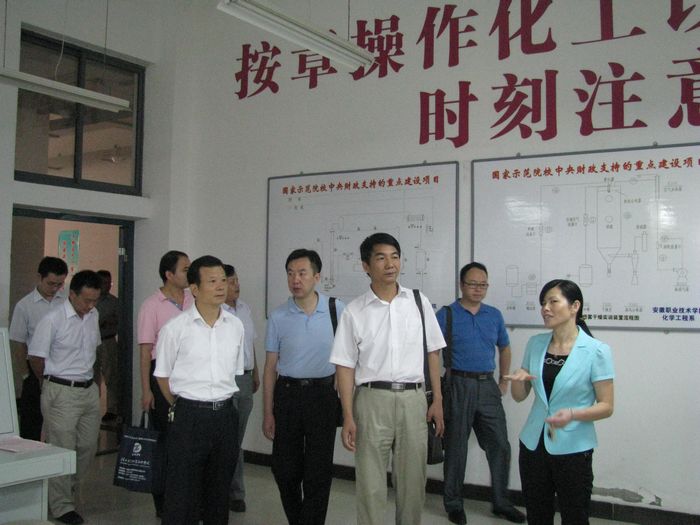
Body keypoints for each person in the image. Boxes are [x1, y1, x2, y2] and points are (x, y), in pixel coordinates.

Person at [330, 233, 445, 525]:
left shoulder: (418, 302)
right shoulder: (355, 311)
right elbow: (345, 367)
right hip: (371, 400)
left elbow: (433, 353)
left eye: (395, 256)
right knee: (370, 484)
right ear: (366, 266)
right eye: (381, 258)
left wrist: (437, 400)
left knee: (413, 483)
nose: (390, 264)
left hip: (413, 399)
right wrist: (348, 415)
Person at [506, 279, 615, 525]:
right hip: (533, 444)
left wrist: (572, 414)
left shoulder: (596, 351)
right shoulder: (536, 343)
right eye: (543, 303)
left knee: (575, 517)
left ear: (575, 306)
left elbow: (607, 406)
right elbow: (519, 397)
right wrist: (518, 379)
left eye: (553, 301)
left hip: (573, 447)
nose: (545, 308)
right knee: (537, 515)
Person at [154, 255, 245, 525]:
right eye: (212, 281)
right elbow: (162, 375)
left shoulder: (235, 326)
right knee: (182, 493)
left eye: (223, 280)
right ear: (194, 289)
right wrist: (182, 406)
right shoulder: (175, 328)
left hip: (225, 415)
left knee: (219, 492)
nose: (221, 286)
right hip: (189, 417)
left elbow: (234, 372)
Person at [437, 262, 525, 524]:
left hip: (487, 386)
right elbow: (431, 351)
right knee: (456, 448)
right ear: (461, 285)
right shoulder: (446, 314)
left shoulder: (493, 315)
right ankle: (454, 504)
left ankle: (501, 502)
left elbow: (504, 348)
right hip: (457, 384)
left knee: (500, 445)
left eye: (483, 284)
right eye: (473, 284)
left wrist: (503, 381)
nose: (478, 289)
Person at [263, 248, 345, 525]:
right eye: (290, 274)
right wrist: (268, 412)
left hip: (323, 396)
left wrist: (348, 407)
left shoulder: (336, 309)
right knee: (284, 469)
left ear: (317, 277)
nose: (295, 279)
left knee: (318, 471)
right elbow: (270, 367)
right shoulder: (278, 316)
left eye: (301, 273)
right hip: (287, 396)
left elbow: (347, 361)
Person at [27, 270, 103, 525]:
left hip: (88, 389)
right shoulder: (53, 319)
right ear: (72, 294)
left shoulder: (93, 315)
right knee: (62, 447)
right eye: (86, 300)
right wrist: (48, 384)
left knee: (87, 447)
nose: (90, 305)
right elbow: (36, 357)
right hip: (61, 390)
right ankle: (61, 505)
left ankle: (69, 492)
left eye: (95, 300)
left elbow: (94, 350)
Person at [137, 250, 193, 517]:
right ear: (169, 275)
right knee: (165, 443)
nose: (190, 273)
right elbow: (145, 351)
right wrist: (146, 390)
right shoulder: (152, 305)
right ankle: (164, 504)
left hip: (189, 377)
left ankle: (186, 500)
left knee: (187, 442)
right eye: (185, 269)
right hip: (161, 377)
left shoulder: (193, 299)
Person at [9, 256, 68, 440]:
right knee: (32, 422)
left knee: (61, 422)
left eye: (60, 284)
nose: (55, 288)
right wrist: (26, 375)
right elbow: (18, 343)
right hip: (35, 369)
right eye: (51, 283)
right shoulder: (25, 306)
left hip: (62, 369)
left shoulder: (67, 302)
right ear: (39, 277)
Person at [223, 264, 260, 513]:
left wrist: (255, 371)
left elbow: (250, 344)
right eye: (231, 281)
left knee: (236, 438)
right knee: (226, 437)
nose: (236, 285)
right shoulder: (217, 312)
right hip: (226, 380)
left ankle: (234, 492)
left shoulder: (244, 308)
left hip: (245, 378)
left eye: (237, 280)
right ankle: (227, 492)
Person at [93, 269, 121, 422]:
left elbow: (120, 322)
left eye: (109, 283)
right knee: (92, 375)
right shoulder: (90, 300)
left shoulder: (114, 302)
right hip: (91, 342)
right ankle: (92, 407)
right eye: (104, 283)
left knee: (111, 376)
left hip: (107, 341)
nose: (108, 286)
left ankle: (112, 409)